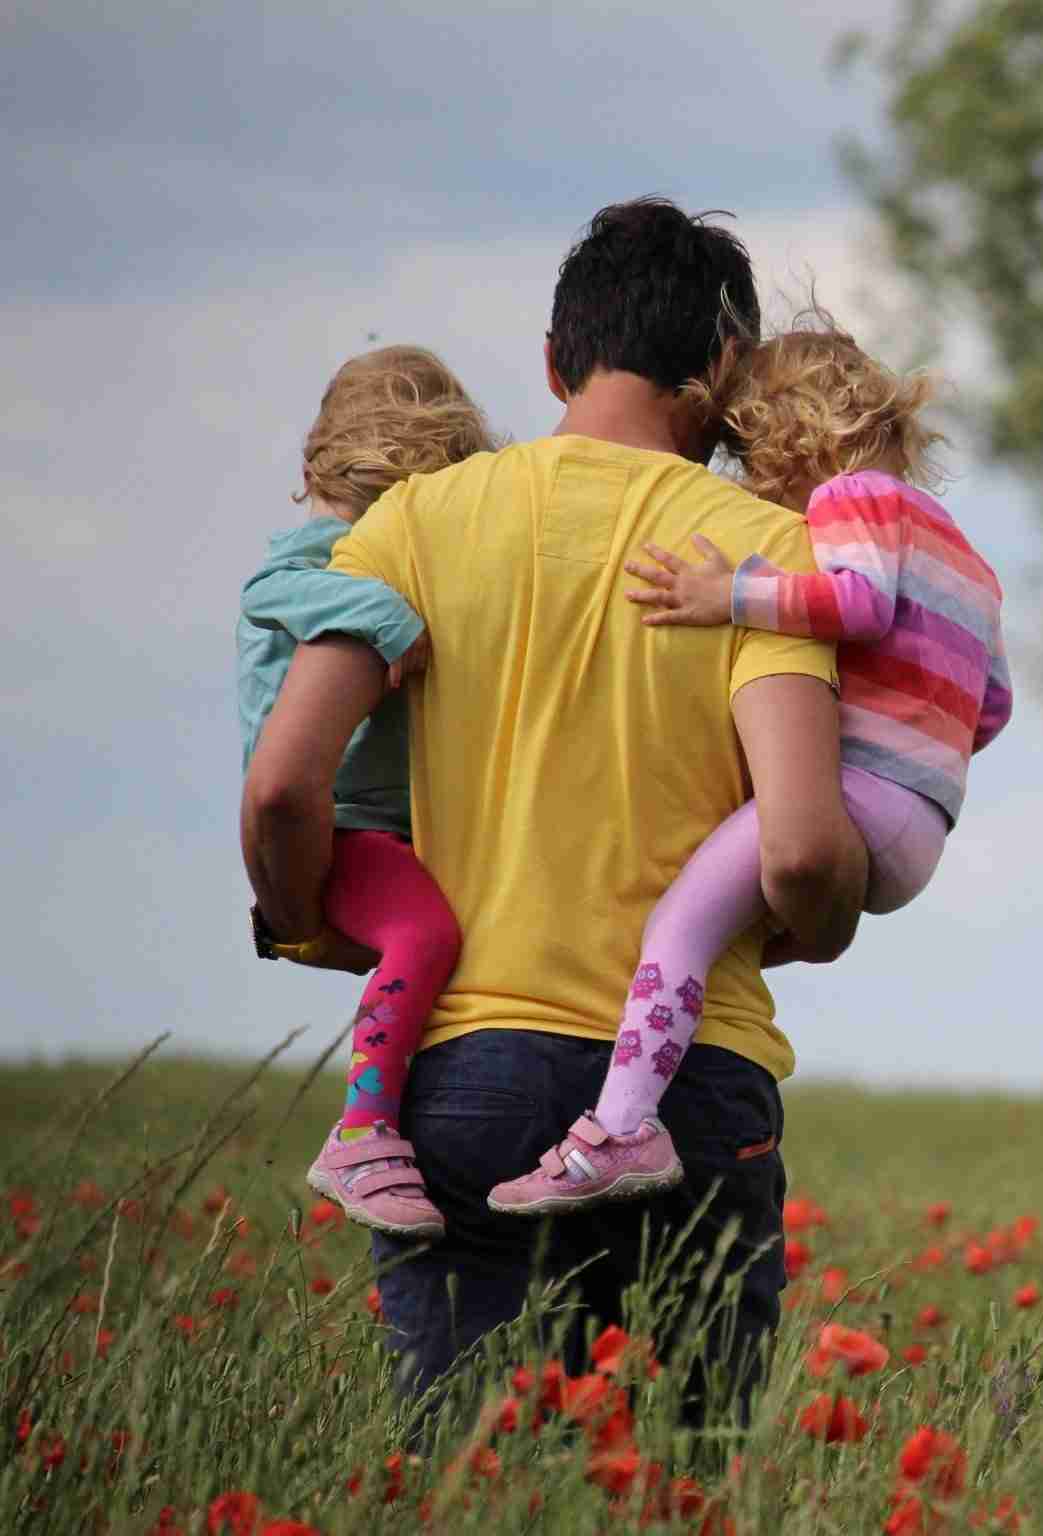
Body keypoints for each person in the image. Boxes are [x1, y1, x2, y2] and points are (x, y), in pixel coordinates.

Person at [240, 197, 866, 1410]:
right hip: (691, 1088)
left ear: (551, 358)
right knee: (683, 1486)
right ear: (725, 371)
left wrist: (310, 916)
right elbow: (798, 849)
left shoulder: (411, 525)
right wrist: (824, 920)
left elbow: (280, 784)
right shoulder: (765, 553)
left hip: (464, 1072)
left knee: (476, 1482)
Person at [487, 315, 1012, 1215]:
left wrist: (724, 594)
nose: (747, 478)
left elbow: (856, 604)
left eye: (747, 451)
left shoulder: (854, 500)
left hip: (859, 795)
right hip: (923, 820)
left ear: (793, 434)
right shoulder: (968, 556)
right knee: (722, 934)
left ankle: (619, 1129)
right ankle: (650, 1079)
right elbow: (992, 705)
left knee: (677, 928)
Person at [237, 345, 493, 1239]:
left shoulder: (362, 545)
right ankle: (363, 1130)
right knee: (426, 933)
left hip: (386, 825)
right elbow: (272, 587)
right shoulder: (323, 555)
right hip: (344, 827)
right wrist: (390, 619)